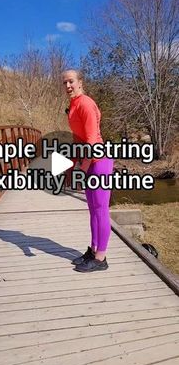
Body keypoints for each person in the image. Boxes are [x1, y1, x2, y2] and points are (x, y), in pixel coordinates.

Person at [62, 69, 114, 272]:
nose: (68, 86)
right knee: (92, 210)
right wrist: (70, 165)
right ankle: (93, 251)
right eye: (64, 82)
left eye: (71, 81)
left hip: (99, 161)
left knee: (101, 209)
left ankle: (101, 258)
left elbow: (92, 140)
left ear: (80, 82)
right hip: (88, 160)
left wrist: (81, 170)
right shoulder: (73, 106)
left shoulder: (85, 104)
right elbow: (78, 140)